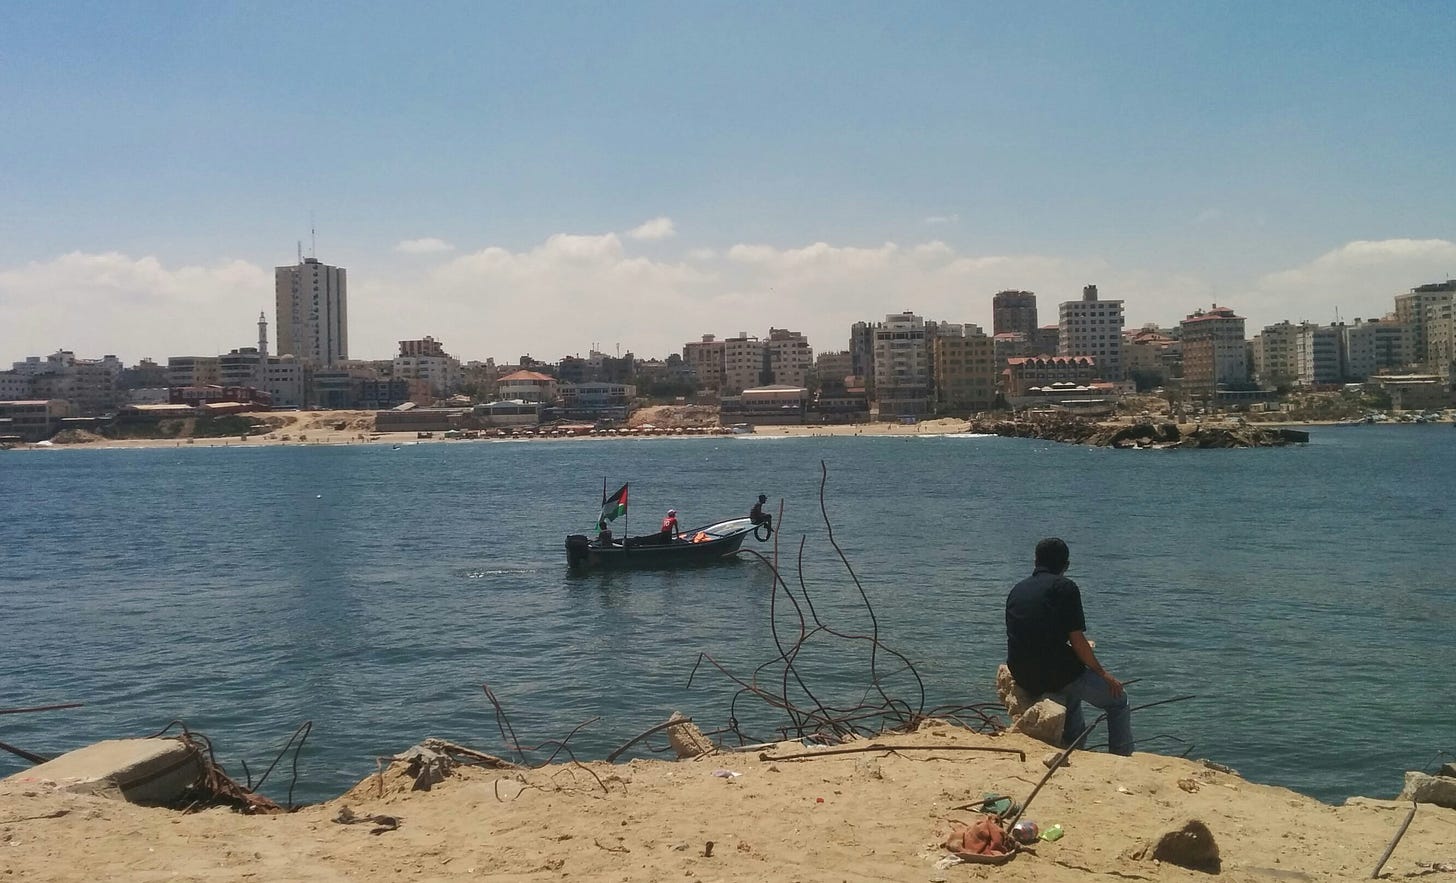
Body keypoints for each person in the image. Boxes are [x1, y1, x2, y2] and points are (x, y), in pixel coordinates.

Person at [1005, 537, 1133, 756]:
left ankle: (1073, 745)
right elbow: (1077, 639)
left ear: (1035, 561)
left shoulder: (1018, 589)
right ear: (1066, 565)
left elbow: (1031, 634)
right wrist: (1103, 674)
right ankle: (1122, 757)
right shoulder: (1065, 587)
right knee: (1118, 700)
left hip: (1023, 673)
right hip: (1053, 673)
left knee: (1070, 686)